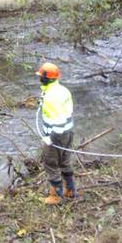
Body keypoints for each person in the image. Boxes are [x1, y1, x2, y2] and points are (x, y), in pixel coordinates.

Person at [36, 62, 77, 205]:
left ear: (45, 79)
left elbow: (58, 119)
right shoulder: (63, 90)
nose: (39, 79)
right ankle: (71, 191)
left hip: (56, 135)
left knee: (50, 164)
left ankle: (56, 197)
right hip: (69, 131)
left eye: (41, 77)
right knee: (65, 162)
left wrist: (50, 138)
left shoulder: (50, 97)